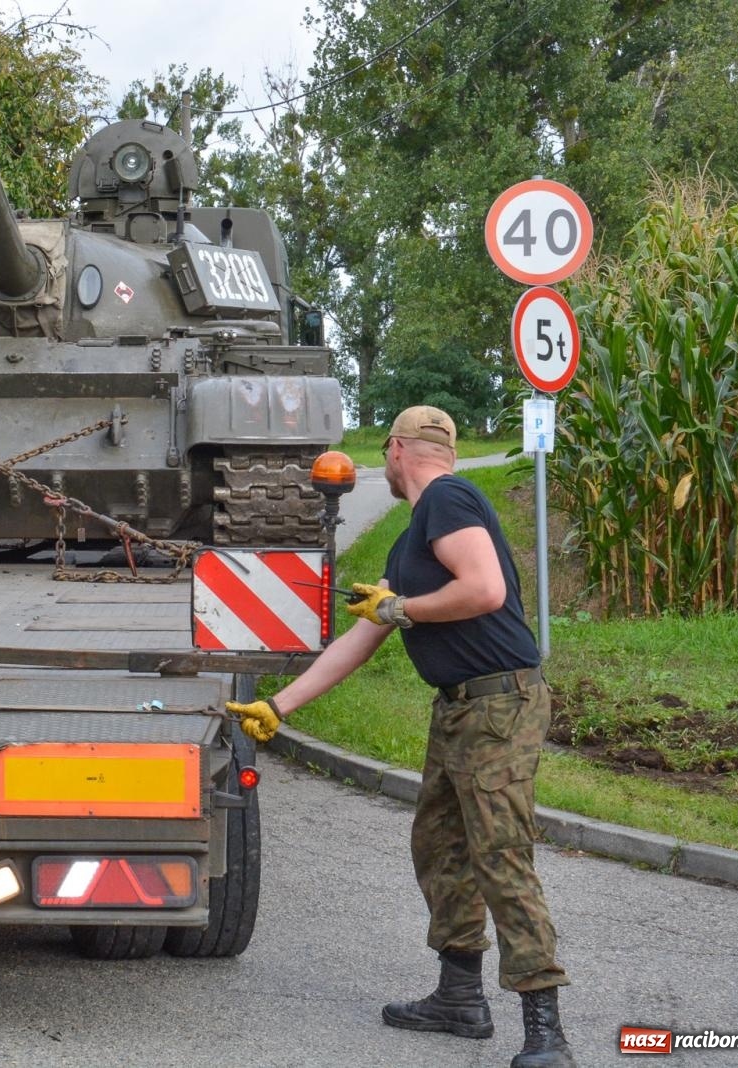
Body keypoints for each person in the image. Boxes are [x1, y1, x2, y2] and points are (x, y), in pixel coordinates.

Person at [232, 405, 574, 1068]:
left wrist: (402, 607)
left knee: (499, 857)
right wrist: (280, 705)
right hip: (461, 709)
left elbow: (483, 587)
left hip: (499, 705)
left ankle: (546, 1031)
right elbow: (363, 636)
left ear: (394, 450)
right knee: (441, 846)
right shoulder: (414, 537)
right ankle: (459, 997)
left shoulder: (448, 498)